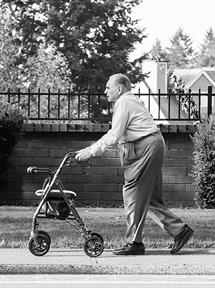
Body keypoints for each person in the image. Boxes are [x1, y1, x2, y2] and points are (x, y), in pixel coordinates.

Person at [75, 73, 194, 255]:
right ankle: (179, 230)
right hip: (152, 144)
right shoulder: (130, 101)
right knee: (149, 197)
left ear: (119, 88)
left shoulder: (123, 102)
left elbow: (115, 135)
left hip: (145, 146)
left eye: (108, 87)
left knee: (132, 193)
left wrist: (90, 151)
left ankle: (134, 243)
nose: (105, 91)